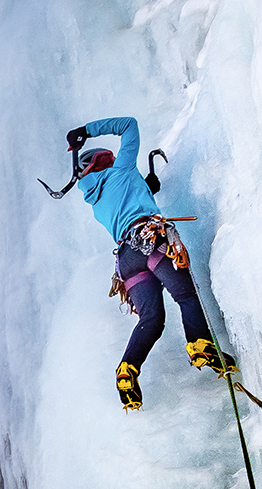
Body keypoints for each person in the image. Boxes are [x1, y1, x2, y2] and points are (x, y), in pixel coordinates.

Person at [65, 117, 228, 411]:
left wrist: (145, 189)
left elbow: (126, 202)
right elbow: (129, 125)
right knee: (185, 295)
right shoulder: (122, 171)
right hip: (150, 239)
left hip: (127, 261)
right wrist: (85, 132)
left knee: (151, 319)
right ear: (104, 161)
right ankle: (201, 344)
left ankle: (128, 368)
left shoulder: (95, 200)